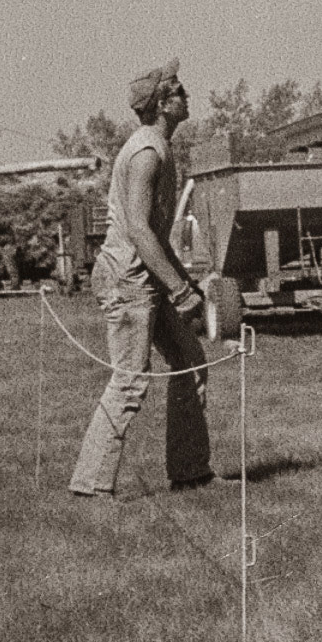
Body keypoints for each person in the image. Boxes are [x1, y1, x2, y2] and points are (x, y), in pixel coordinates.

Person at [69, 60, 219, 497]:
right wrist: (179, 290)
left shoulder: (159, 146)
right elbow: (138, 228)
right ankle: (90, 486)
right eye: (180, 91)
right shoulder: (147, 153)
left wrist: (185, 285)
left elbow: (155, 233)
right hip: (127, 280)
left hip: (144, 273)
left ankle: (191, 474)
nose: (187, 96)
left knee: (190, 361)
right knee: (130, 380)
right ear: (163, 104)